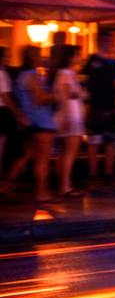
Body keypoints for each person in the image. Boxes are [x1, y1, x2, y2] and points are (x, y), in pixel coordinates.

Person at [6, 47, 55, 201]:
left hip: (29, 120)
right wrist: (55, 96)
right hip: (41, 120)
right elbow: (39, 98)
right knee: (42, 158)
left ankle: (6, 185)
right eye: (39, 55)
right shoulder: (31, 76)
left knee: (27, 155)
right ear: (33, 57)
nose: (42, 58)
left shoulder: (21, 76)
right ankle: (41, 193)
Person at [83, 49, 115, 189]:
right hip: (107, 107)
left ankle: (94, 177)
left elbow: (84, 80)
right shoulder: (113, 62)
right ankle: (107, 176)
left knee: (95, 143)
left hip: (95, 106)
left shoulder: (92, 60)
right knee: (109, 143)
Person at [51, 45, 85, 197]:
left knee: (64, 153)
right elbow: (64, 96)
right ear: (70, 57)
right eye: (77, 55)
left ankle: (64, 183)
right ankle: (65, 185)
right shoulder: (66, 73)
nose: (79, 57)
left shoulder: (66, 73)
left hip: (70, 115)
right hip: (71, 115)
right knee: (69, 153)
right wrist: (66, 116)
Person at [0, 46, 26, 182]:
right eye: (6, 56)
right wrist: (17, 113)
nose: (8, 58)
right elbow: (5, 96)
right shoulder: (2, 74)